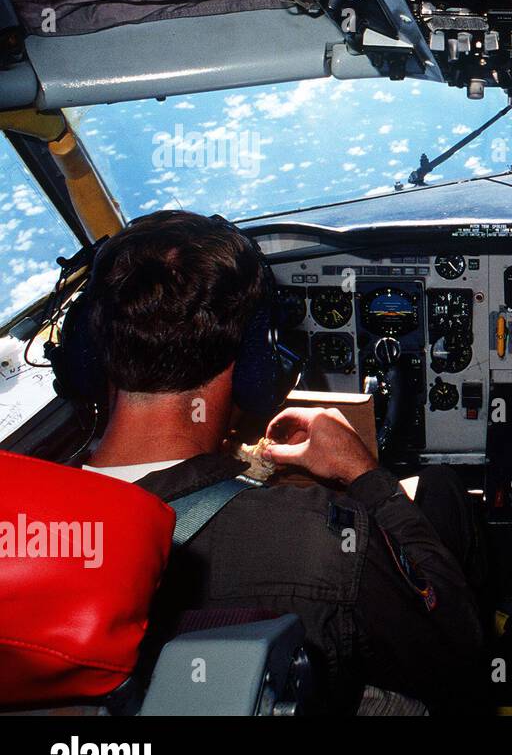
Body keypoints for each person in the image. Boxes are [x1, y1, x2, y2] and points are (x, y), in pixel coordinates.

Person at [74, 210, 487, 714]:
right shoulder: (319, 539)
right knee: (440, 490)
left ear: (89, 355)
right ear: (256, 363)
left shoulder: (27, 524)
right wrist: (365, 475)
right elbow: (457, 652)